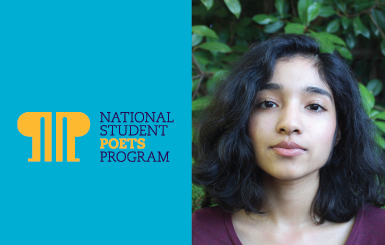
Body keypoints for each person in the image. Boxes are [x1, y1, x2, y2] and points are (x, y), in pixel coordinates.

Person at [192, 34, 385, 245]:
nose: (290, 124)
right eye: (268, 104)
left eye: (314, 106)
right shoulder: (194, 234)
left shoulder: (380, 231)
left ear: (339, 130)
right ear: (242, 120)